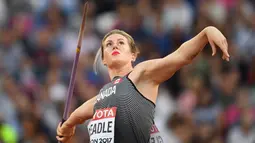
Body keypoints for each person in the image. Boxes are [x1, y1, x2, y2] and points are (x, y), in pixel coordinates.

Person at [56, 26, 230, 143]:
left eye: (121, 43)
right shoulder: (103, 96)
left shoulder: (141, 74)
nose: (114, 45)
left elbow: (179, 56)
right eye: (109, 44)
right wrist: (67, 125)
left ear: (133, 55)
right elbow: (81, 113)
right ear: (103, 59)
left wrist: (207, 32)